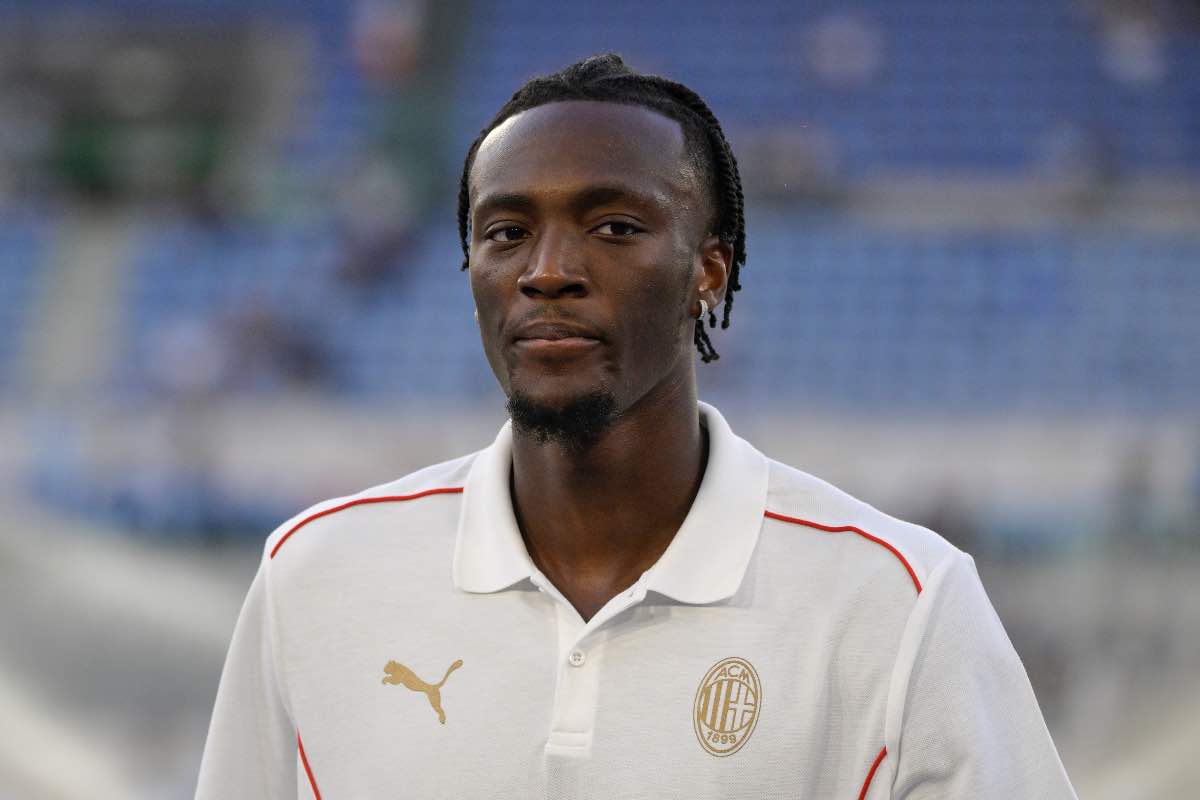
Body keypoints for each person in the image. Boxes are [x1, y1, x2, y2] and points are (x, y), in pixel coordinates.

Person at [197, 54, 1077, 799]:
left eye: (614, 227)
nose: (547, 271)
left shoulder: (899, 605)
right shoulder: (314, 579)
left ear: (709, 273)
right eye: (506, 232)